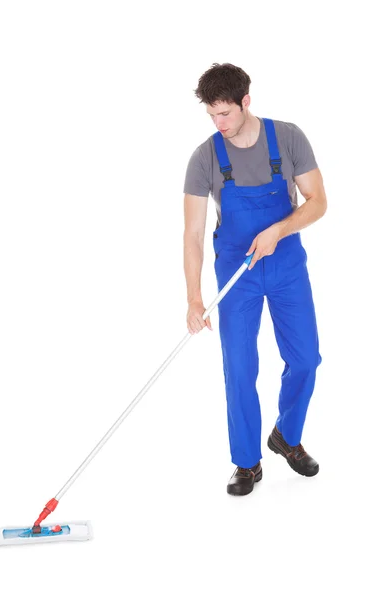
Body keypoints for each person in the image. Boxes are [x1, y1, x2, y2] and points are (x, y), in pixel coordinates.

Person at [183, 63, 327, 496]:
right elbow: (191, 234)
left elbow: (318, 202)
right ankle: (247, 462)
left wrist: (278, 230)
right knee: (240, 369)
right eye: (212, 115)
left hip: (285, 267)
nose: (218, 124)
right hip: (236, 274)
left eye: (224, 113)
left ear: (246, 101)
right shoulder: (205, 157)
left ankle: (286, 434)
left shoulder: (288, 138)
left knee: (305, 358)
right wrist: (194, 298)